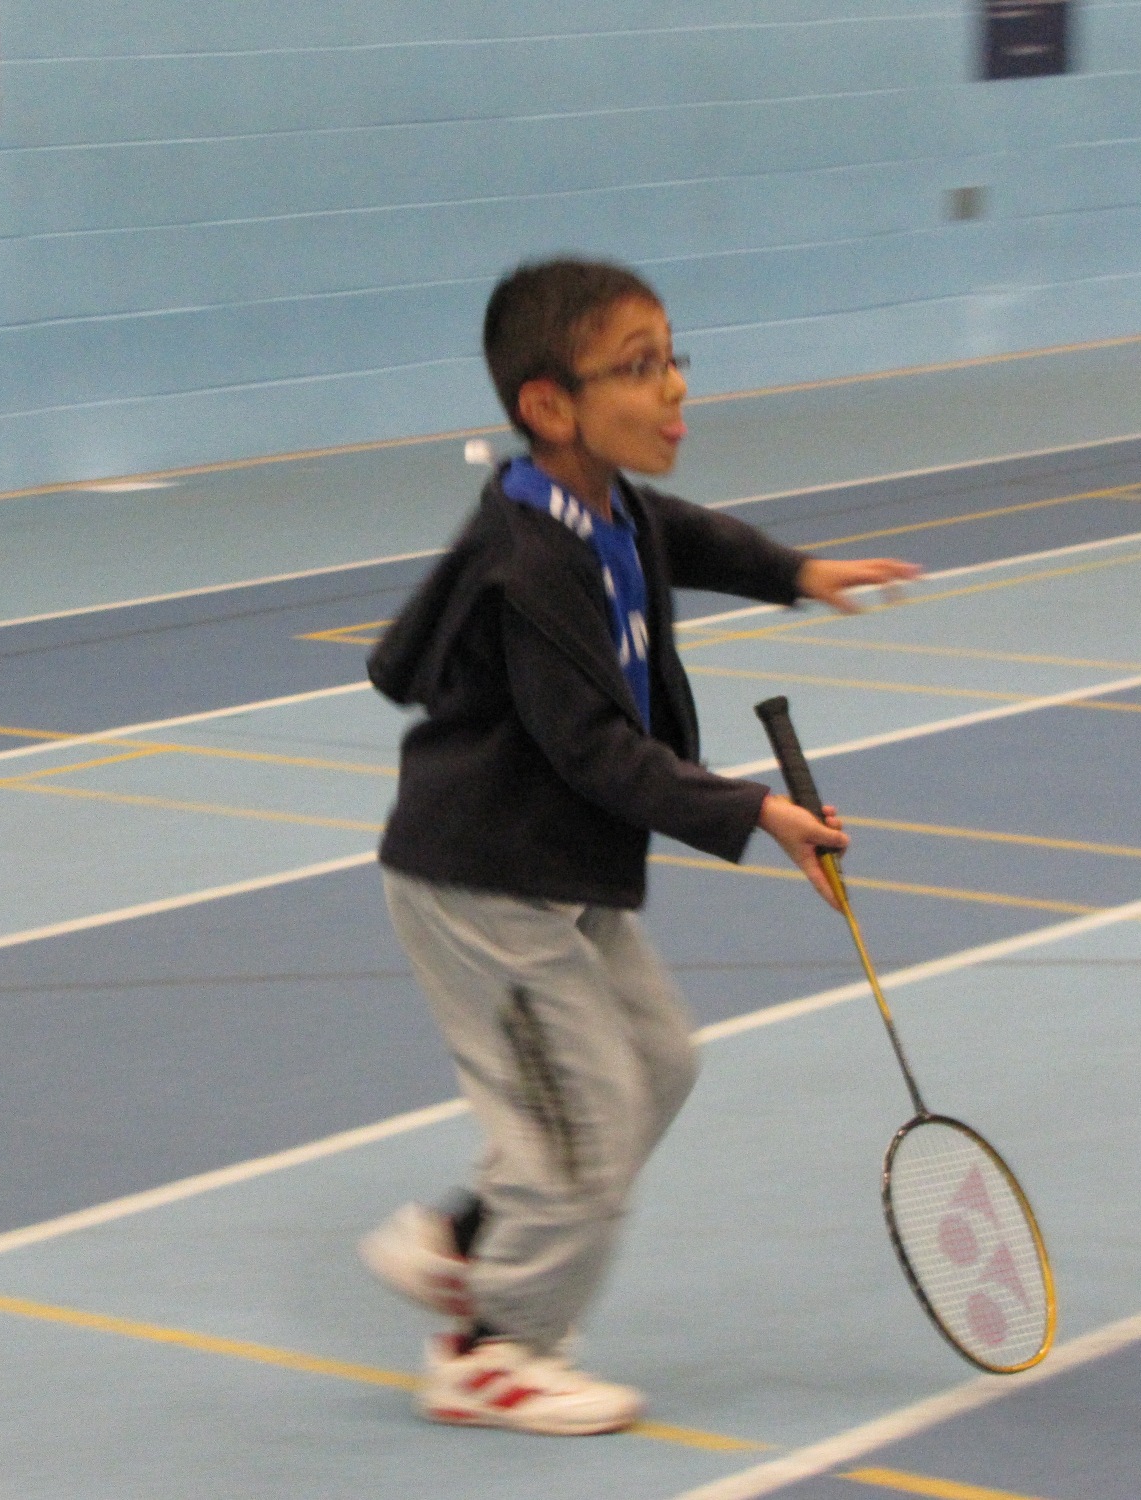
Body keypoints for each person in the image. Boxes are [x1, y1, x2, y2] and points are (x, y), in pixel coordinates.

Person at [360, 258, 919, 1435]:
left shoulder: (599, 505)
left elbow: (682, 535)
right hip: (484, 879)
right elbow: (593, 750)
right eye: (637, 368)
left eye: (672, 360)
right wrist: (752, 812)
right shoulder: (528, 560)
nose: (674, 388)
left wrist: (794, 573)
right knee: (589, 1112)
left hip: (558, 862)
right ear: (549, 406)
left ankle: (466, 1238)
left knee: (655, 1064)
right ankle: (490, 1350)